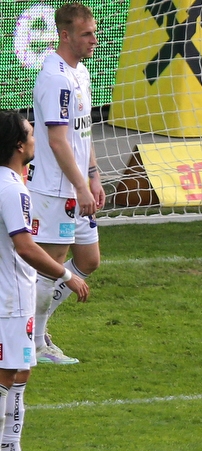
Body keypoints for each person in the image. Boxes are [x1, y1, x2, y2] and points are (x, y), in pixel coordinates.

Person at [0, 111, 89, 451]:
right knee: (6, 374)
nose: (35, 139)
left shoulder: (8, 182)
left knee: (20, 371)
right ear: (19, 146)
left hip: (14, 294)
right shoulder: (12, 188)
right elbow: (24, 246)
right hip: (10, 297)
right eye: (31, 135)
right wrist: (66, 274)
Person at [26, 2, 103, 365]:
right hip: (55, 189)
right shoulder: (54, 77)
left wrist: (94, 174)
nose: (94, 40)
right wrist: (81, 187)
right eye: (87, 34)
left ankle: (36, 331)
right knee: (50, 265)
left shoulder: (81, 73)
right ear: (65, 34)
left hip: (76, 185)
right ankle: (35, 341)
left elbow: (81, 133)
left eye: (95, 32)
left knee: (89, 259)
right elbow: (57, 141)